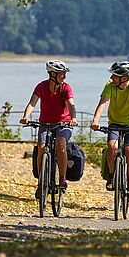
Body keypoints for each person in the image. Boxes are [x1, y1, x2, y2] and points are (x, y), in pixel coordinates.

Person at [90, 61, 129, 203]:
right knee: (112, 147)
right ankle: (111, 176)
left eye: (115, 76)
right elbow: (103, 103)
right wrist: (95, 120)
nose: (112, 78)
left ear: (124, 78)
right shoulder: (110, 86)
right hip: (115, 123)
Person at [20, 60, 78, 193]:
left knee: (61, 143)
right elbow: (32, 103)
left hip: (64, 124)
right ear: (52, 74)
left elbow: (71, 104)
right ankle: (41, 181)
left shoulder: (66, 88)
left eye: (64, 74)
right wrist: (26, 117)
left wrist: (73, 118)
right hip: (45, 124)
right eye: (62, 74)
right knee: (41, 148)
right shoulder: (41, 86)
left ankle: (62, 178)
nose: (64, 76)